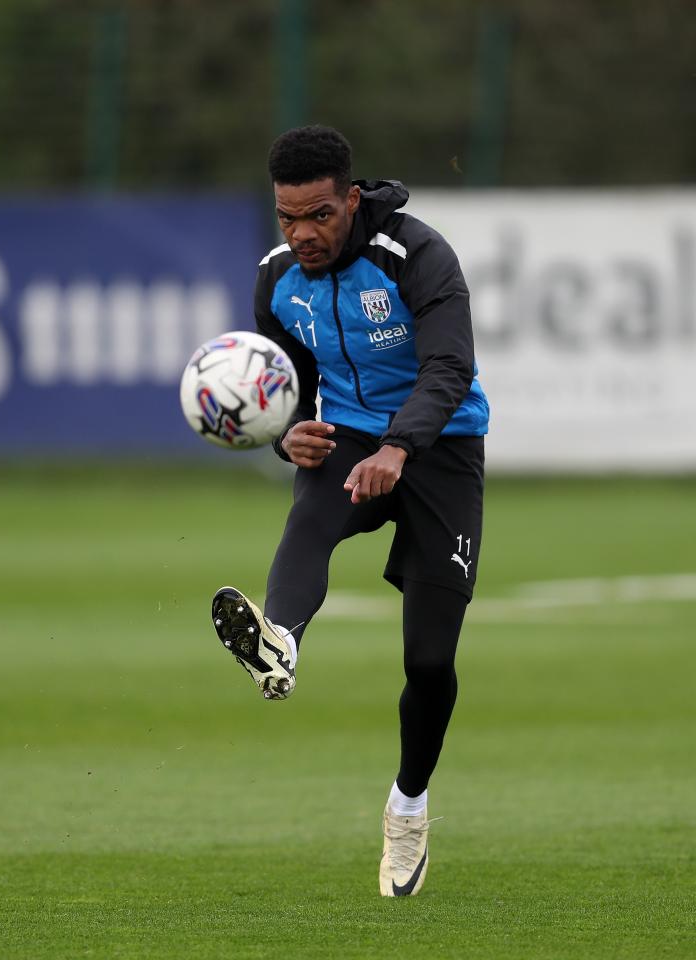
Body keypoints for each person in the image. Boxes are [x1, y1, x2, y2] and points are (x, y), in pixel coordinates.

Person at [210, 125, 488, 897]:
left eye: (320, 216)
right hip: (351, 438)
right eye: (287, 218)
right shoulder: (276, 280)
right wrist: (284, 436)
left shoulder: (417, 255)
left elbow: (450, 366)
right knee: (312, 514)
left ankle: (408, 808)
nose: (303, 234)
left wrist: (400, 448)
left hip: (444, 447)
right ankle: (280, 643)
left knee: (430, 661)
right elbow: (287, 387)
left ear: (351, 199)